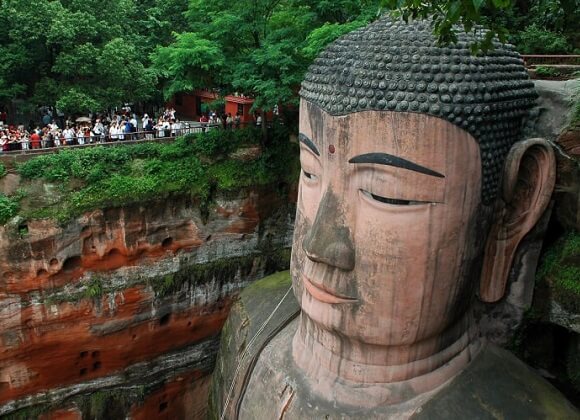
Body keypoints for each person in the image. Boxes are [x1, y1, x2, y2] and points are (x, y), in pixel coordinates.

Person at [210, 16, 578, 419]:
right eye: (310, 171)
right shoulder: (252, 321)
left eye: (388, 195)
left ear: (514, 209)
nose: (319, 246)